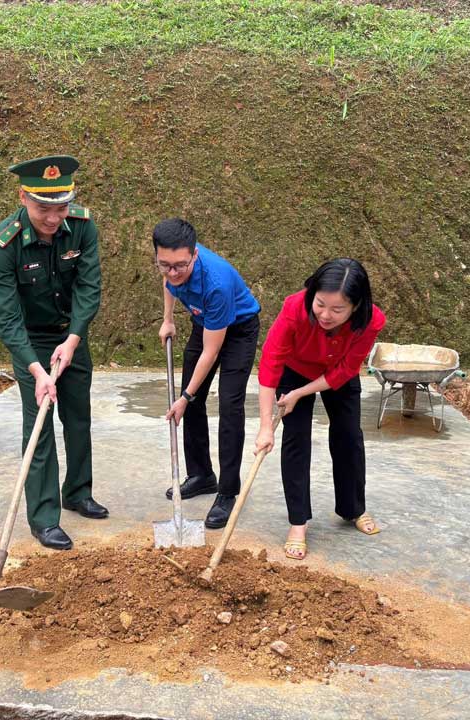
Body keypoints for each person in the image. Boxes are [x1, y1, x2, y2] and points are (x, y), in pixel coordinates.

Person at [0, 154, 103, 551]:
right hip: (31, 343)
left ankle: (78, 492)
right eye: (43, 209)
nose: (54, 218)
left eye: (62, 207)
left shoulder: (83, 227)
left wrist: (74, 338)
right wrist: (36, 370)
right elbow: (7, 316)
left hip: (71, 335)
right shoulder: (3, 245)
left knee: (78, 416)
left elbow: (88, 287)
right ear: (23, 198)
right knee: (39, 425)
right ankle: (44, 517)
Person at [254, 258, 386, 560]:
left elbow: (346, 370)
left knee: (348, 436)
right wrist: (265, 426)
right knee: (296, 440)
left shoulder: (371, 320)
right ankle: (298, 523)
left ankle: (353, 508)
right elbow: (271, 363)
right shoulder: (294, 308)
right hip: (295, 369)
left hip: (337, 373)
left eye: (337, 309)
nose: (326, 315)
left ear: (356, 306)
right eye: (320, 304)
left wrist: (301, 393)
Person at [154, 218, 260, 529]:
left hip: (239, 330)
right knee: (192, 401)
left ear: (195, 254)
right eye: (165, 265)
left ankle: (227, 492)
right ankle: (201, 475)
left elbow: (210, 352)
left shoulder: (216, 284)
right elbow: (170, 283)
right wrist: (168, 319)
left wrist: (186, 396)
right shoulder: (173, 262)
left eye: (181, 266)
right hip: (205, 323)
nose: (173, 271)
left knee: (229, 405)